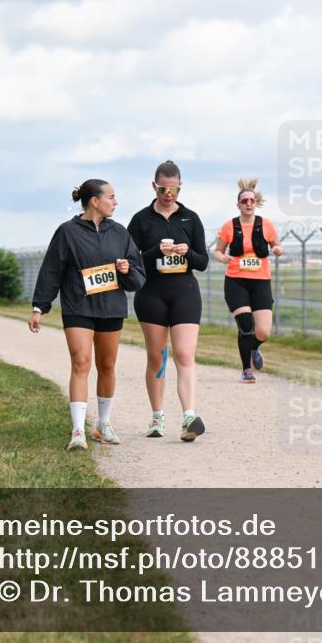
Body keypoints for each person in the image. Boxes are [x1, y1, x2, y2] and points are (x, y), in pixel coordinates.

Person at [29, 179, 145, 451]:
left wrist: (127, 270)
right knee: (80, 362)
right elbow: (51, 271)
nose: (116, 202)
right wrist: (39, 308)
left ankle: (103, 424)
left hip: (111, 308)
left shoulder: (120, 233)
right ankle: (78, 430)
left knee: (107, 365)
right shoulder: (67, 232)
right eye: (112, 197)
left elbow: (138, 278)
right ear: (95, 201)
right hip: (78, 307)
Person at [126, 160, 209, 442]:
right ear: (154, 186)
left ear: (180, 186)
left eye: (174, 189)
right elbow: (130, 259)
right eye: (163, 188)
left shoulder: (191, 218)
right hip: (152, 294)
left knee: (185, 354)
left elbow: (203, 262)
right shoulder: (140, 219)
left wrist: (187, 253)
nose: (168, 194)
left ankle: (189, 416)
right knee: (157, 357)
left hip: (184, 290)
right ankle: (157, 416)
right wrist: (153, 251)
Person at [213, 178, 284, 383]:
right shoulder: (229, 226)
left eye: (251, 200)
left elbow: (277, 247)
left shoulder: (266, 225)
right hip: (236, 281)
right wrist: (222, 257)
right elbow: (217, 251)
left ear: (256, 202)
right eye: (244, 201)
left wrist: (278, 250)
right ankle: (246, 370)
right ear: (238, 204)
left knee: (263, 331)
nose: (248, 204)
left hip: (261, 281)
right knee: (246, 324)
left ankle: (253, 348)